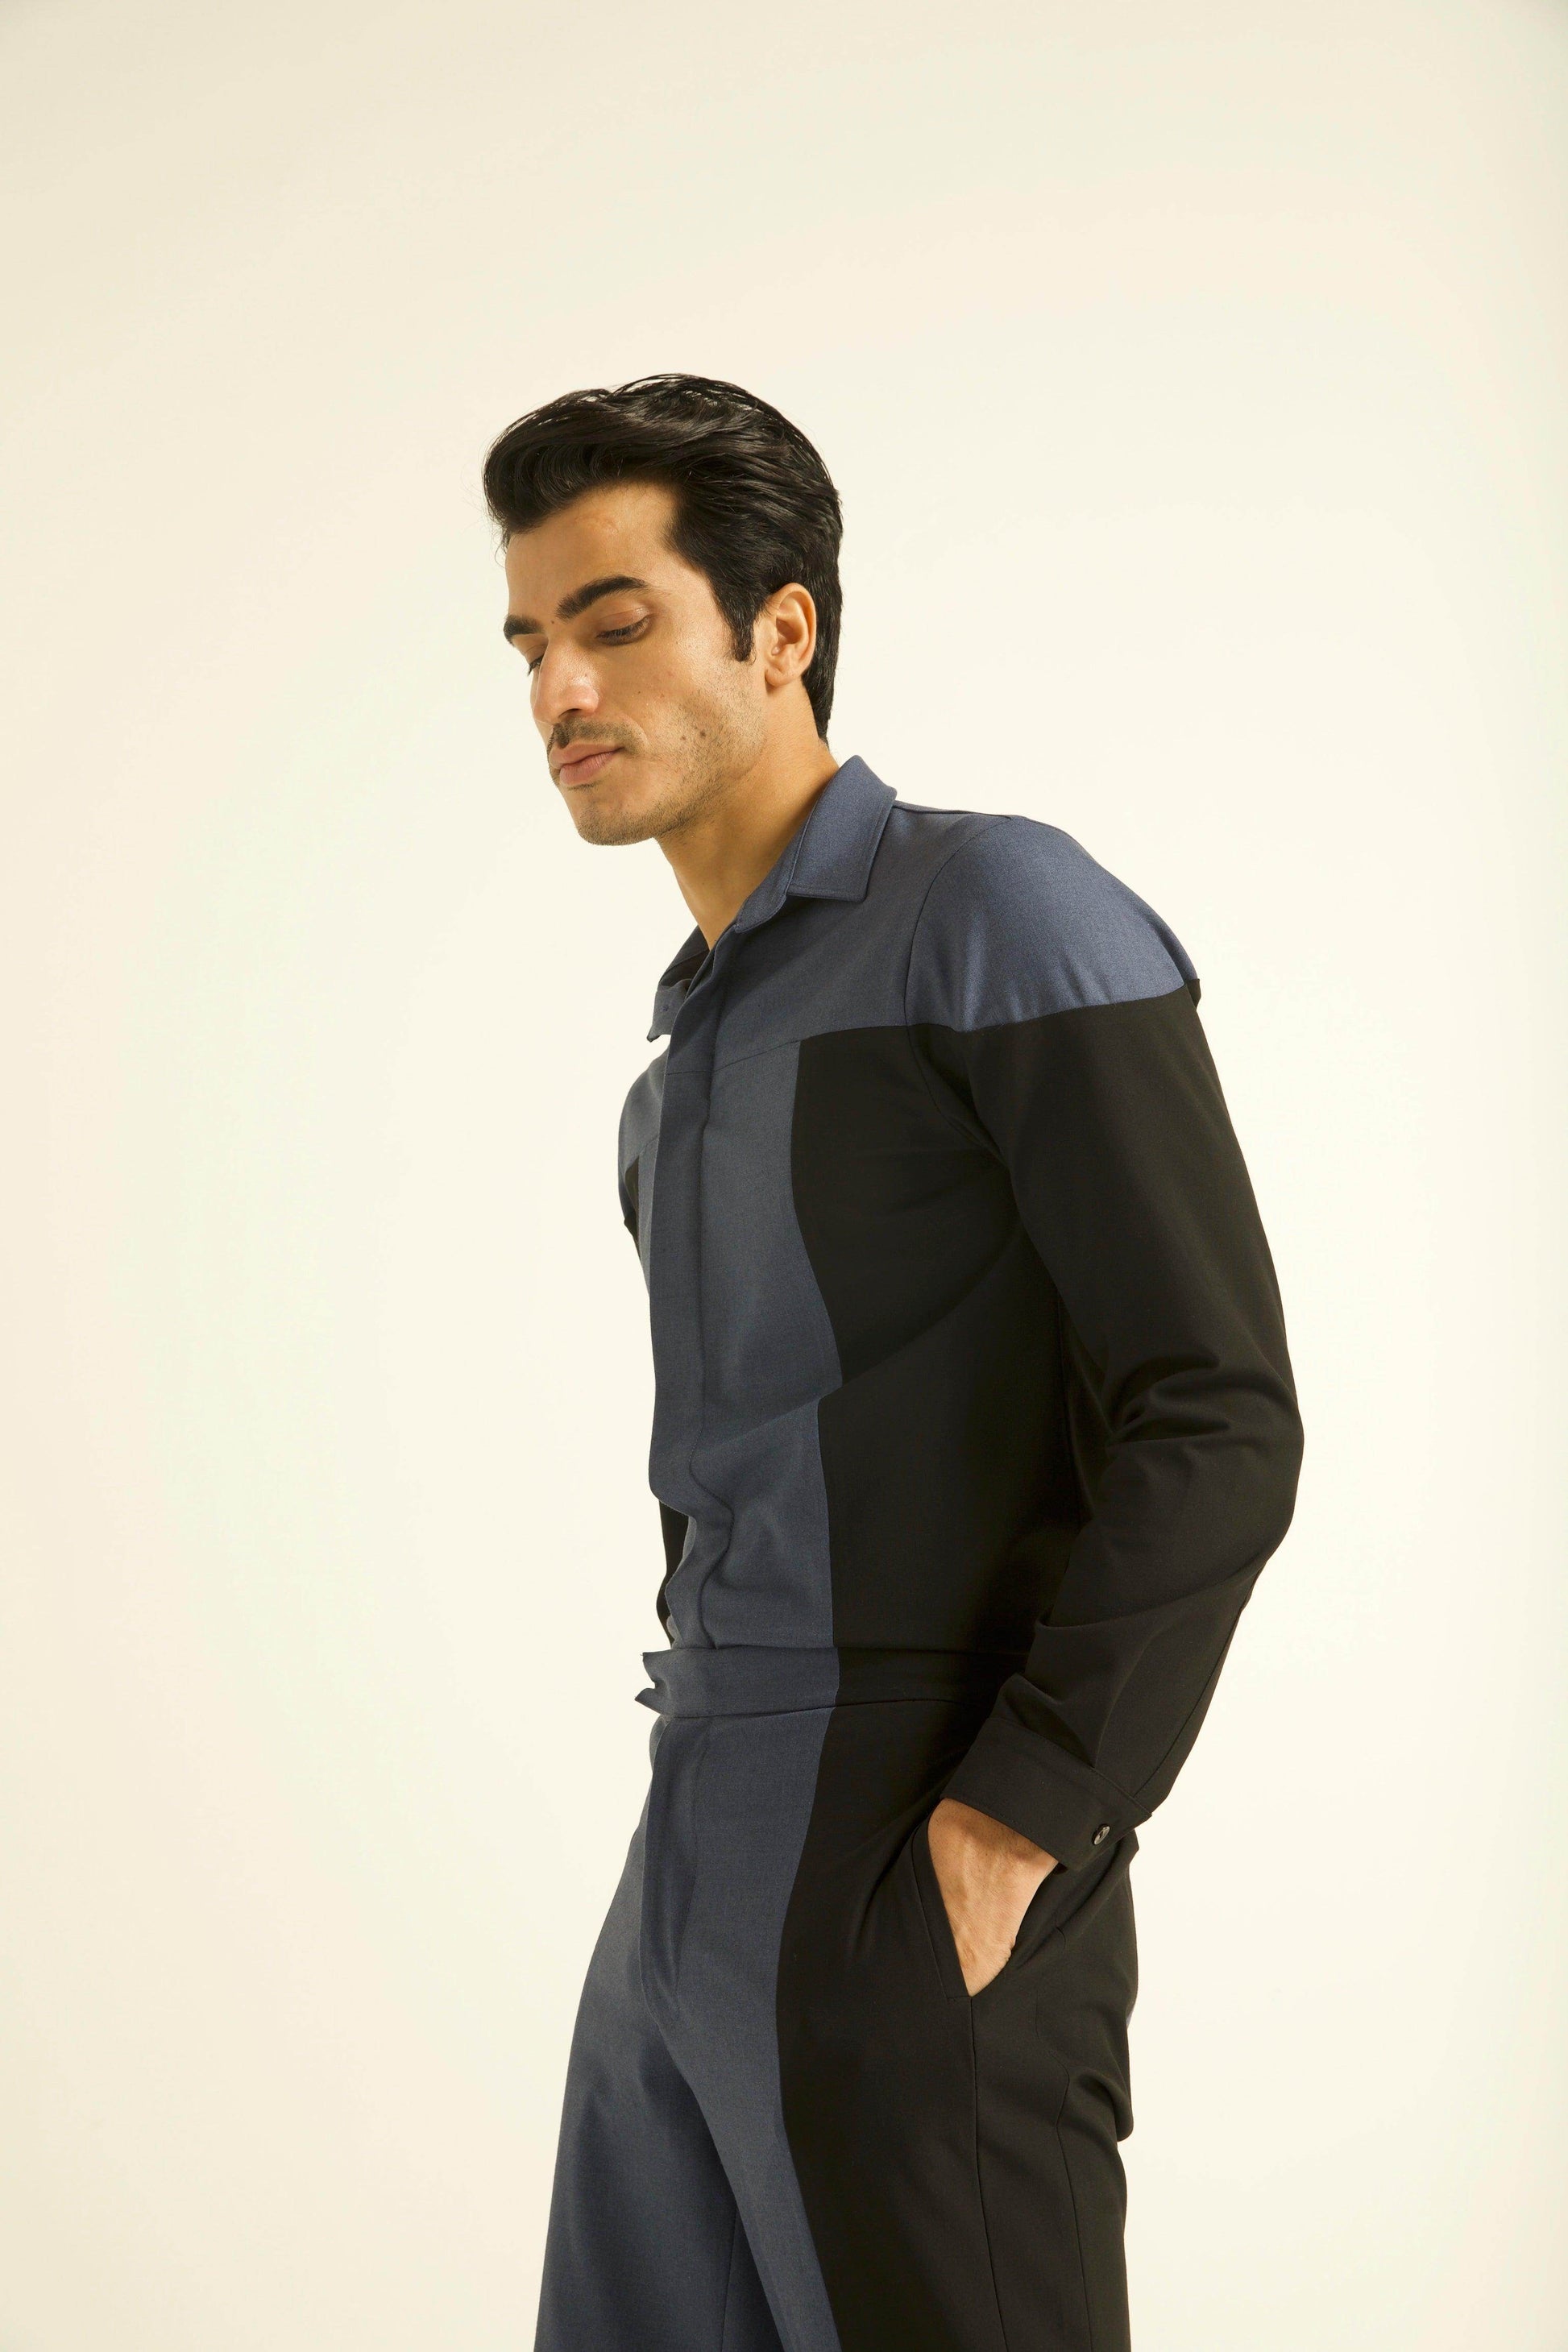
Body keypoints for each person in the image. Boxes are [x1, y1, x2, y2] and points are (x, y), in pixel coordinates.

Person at [483, 374, 1304, 2352]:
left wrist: (1023, 1810)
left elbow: (1214, 1404)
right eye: (528, 644)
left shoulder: (993, 911)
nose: (560, 689)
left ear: (781, 630)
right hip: (690, 1827)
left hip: (912, 1828)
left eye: (615, 622)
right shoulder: (685, 1052)